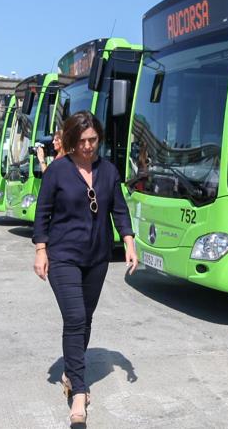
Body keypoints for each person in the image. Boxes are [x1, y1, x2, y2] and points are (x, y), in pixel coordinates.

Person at [32, 111, 137, 424]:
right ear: (71, 140)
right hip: (63, 255)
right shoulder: (57, 172)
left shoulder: (108, 171)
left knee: (85, 318)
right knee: (75, 316)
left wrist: (129, 243)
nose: (88, 146)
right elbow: (43, 213)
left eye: (93, 140)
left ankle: (71, 371)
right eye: (82, 141)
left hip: (97, 257)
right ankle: (79, 390)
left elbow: (119, 209)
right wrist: (41, 250)